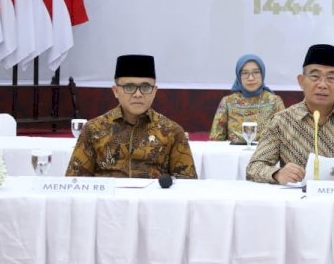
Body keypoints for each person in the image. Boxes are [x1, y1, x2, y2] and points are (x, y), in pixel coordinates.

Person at [246, 44, 334, 184]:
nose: (322, 85)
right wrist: (277, 174)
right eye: (315, 76)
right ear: (301, 81)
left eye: (331, 78)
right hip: (298, 202)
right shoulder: (282, 121)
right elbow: (254, 167)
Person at [66, 54, 197, 179]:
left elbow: (187, 186)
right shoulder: (94, 129)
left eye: (145, 87)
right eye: (129, 87)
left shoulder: (172, 132)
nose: (138, 94)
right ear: (116, 91)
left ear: (155, 91)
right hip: (107, 201)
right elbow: (74, 182)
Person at [208, 54, 285, 143]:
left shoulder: (274, 101)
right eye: (245, 73)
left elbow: (284, 138)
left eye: (256, 72)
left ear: (262, 74)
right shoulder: (228, 102)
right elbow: (215, 141)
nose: (251, 78)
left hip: (265, 155)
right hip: (234, 155)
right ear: (238, 76)